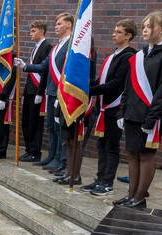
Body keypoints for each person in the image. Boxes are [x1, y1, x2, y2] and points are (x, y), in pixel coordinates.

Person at [116, 12, 162, 209]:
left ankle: (140, 197)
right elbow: (128, 86)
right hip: (133, 113)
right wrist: (121, 111)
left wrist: (151, 118)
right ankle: (131, 195)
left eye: (149, 26)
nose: (144, 30)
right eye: (143, 26)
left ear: (161, 29)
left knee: (146, 155)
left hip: (152, 115)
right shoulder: (140, 55)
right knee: (132, 153)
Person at [82, 19, 138, 196]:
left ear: (128, 36)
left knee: (111, 146)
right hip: (104, 109)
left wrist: (90, 90)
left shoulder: (128, 56)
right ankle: (100, 179)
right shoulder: (114, 55)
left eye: (118, 32)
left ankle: (107, 183)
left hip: (114, 108)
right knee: (101, 145)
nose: (114, 34)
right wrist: (86, 84)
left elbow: (116, 84)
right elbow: (103, 80)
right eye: (114, 31)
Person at [18, 13, 72, 176]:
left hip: (61, 93)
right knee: (51, 127)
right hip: (51, 92)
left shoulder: (71, 45)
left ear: (69, 25)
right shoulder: (56, 47)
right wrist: (25, 66)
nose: (56, 26)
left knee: (59, 128)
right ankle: (51, 156)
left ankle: (61, 160)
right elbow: (43, 66)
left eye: (59, 23)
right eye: (55, 24)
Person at [22, 20, 52, 163]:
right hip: (30, 90)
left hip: (37, 91)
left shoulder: (47, 46)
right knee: (26, 121)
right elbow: (31, 72)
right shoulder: (36, 47)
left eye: (33, 31)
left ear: (42, 31)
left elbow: (44, 71)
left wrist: (40, 93)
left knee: (35, 122)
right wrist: (24, 93)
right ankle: (29, 149)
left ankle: (34, 151)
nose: (31, 34)